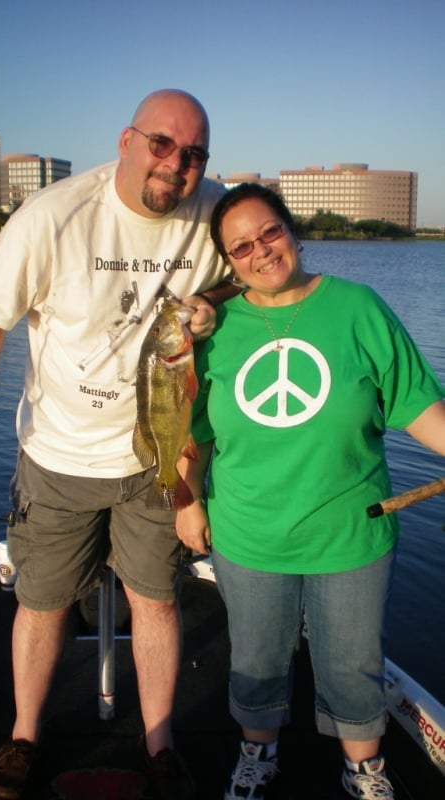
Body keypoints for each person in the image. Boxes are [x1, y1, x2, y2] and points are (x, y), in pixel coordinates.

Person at [0, 89, 237, 800]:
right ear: (127, 141)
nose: (177, 165)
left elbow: (264, 265)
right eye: (162, 145)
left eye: (194, 154)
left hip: (154, 462)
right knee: (39, 603)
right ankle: (24, 737)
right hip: (59, 456)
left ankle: (160, 743)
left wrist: (214, 304)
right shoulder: (55, 215)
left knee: (156, 600)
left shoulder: (216, 211)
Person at [175, 182, 445, 800]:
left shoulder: (358, 307)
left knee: (354, 665)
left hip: (352, 531)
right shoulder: (210, 331)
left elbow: (420, 406)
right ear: (228, 261)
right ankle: (256, 756)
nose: (260, 251)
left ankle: (364, 771)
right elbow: (192, 432)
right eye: (240, 247)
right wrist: (187, 504)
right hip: (249, 533)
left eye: (269, 232)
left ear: (292, 231)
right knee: (255, 659)